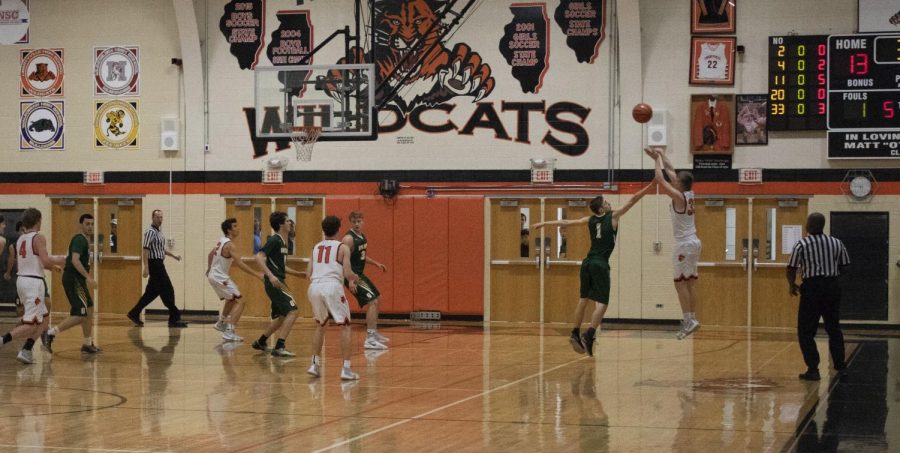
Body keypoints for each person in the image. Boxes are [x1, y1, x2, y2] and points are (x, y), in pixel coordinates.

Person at [532, 183, 656, 356]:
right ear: (601, 209)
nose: (608, 204)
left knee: (584, 298)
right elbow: (633, 199)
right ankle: (589, 333)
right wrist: (652, 185)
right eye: (605, 203)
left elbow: (567, 222)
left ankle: (575, 331)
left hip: (587, 262)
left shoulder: (590, 220)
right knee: (603, 303)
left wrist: (545, 222)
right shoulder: (612, 217)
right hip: (600, 263)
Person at [787, 212, 850, 381]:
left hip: (812, 288)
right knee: (833, 328)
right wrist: (833, 280)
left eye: (808, 222)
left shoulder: (801, 244)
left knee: (806, 331)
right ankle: (840, 365)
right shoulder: (837, 242)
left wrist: (791, 284)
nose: (806, 224)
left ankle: (813, 369)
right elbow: (845, 266)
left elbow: (791, 267)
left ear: (812, 225)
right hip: (832, 287)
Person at [647, 147, 702, 340]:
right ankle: (691, 318)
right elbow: (671, 171)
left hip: (684, 244)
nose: (674, 179)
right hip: (693, 242)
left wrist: (655, 160)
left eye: (676, 180)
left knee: (680, 284)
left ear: (680, 185)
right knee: (689, 283)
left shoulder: (679, 197)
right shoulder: (689, 193)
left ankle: (688, 320)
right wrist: (662, 154)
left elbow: (661, 180)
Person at [0, 208, 65, 364]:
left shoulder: (21, 239)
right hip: (33, 284)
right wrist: (62, 259)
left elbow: (35, 261)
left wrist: (52, 265)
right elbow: (46, 260)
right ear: (38, 220)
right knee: (31, 325)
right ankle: (2, 340)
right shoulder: (38, 237)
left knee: (44, 319)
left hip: (23, 280)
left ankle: (27, 350)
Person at [306, 215, 361, 380]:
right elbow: (347, 273)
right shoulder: (342, 247)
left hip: (314, 286)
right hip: (332, 286)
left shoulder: (315, 248)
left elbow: (308, 274)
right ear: (338, 230)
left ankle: (314, 365)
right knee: (345, 326)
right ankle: (346, 368)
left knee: (321, 325)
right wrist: (356, 278)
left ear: (324, 230)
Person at [42, 214, 101, 354]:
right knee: (81, 313)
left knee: (89, 309)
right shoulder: (80, 239)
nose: (90, 227)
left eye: (92, 224)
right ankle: (50, 333)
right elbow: (75, 260)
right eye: (87, 224)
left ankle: (87, 343)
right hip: (74, 279)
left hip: (76, 279)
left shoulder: (83, 240)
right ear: (81, 225)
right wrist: (88, 277)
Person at [252, 211, 305, 357]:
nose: (290, 223)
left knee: (281, 317)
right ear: (281, 224)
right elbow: (259, 257)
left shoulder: (283, 241)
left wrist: (298, 273)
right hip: (274, 282)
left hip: (277, 280)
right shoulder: (274, 240)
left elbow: (281, 266)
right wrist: (270, 276)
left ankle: (261, 342)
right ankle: (280, 346)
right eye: (288, 221)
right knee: (293, 311)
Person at [127, 210, 187, 328]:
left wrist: (173, 255)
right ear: (152, 218)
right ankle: (174, 317)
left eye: (161, 217)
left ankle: (134, 313)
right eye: (158, 217)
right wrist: (146, 267)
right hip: (154, 265)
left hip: (159, 263)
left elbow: (160, 249)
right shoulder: (150, 232)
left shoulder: (159, 232)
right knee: (168, 290)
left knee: (151, 293)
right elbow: (145, 249)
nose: (160, 219)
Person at [208, 218, 264, 342]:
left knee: (231, 299)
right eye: (235, 226)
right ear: (229, 230)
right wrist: (257, 274)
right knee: (241, 300)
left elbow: (210, 254)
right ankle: (229, 331)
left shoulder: (221, 241)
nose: (238, 228)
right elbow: (239, 263)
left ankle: (221, 323)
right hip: (219, 277)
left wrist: (209, 270)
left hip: (215, 275)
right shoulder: (230, 245)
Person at [342, 211, 389, 350]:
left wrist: (376, 263)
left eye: (359, 221)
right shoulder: (348, 239)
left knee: (378, 298)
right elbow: (343, 260)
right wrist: (350, 279)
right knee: (372, 301)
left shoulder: (362, 237)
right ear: (351, 222)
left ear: (363, 221)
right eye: (354, 221)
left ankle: (373, 333)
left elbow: (362, 256)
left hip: (358, 274)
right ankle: (370, 340)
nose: (357, 224)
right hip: (352, 275)